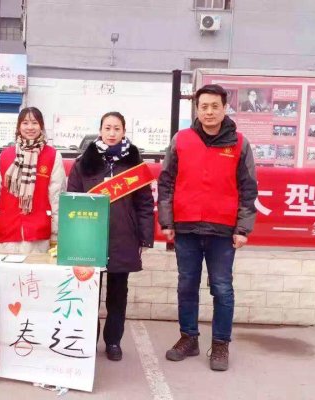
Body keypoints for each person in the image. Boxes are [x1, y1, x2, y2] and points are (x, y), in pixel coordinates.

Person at [158, 84, 258, 371]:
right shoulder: (181, 140)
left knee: (222, 288)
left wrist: (242, 228)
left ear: (224, 108)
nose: (209, 112)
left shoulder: (239, 143)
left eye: (215, 106)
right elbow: (166, 182)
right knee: (186, 286)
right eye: (204, 106)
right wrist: (167, 221)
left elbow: (248, 188)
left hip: (223, 231)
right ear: (197, 109)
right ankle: (189, 338)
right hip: (186, 228)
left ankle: (220, 344)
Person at [67, 111, 154, 362]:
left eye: (117, 128)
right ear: (100, 131)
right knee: (89, 293)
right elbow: (73, 199)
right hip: (89, 239)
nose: (112, 133)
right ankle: (87, 339)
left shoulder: (134, 163)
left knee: (118, 294)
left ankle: (113, 341)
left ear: (124, 131)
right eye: (107, 128)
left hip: (123, 237)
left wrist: (145, 237)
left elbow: (145, 203)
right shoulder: (85, 162)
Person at [0, 107, 66, 253]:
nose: (30, 127)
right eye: (25, 123)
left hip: (38, 234)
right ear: (19, 127)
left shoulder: (52, 156)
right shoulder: (5, 156)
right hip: (7, 231)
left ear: (41, 126)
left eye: (34, 123)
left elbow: (56, 197)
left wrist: (56, 233)